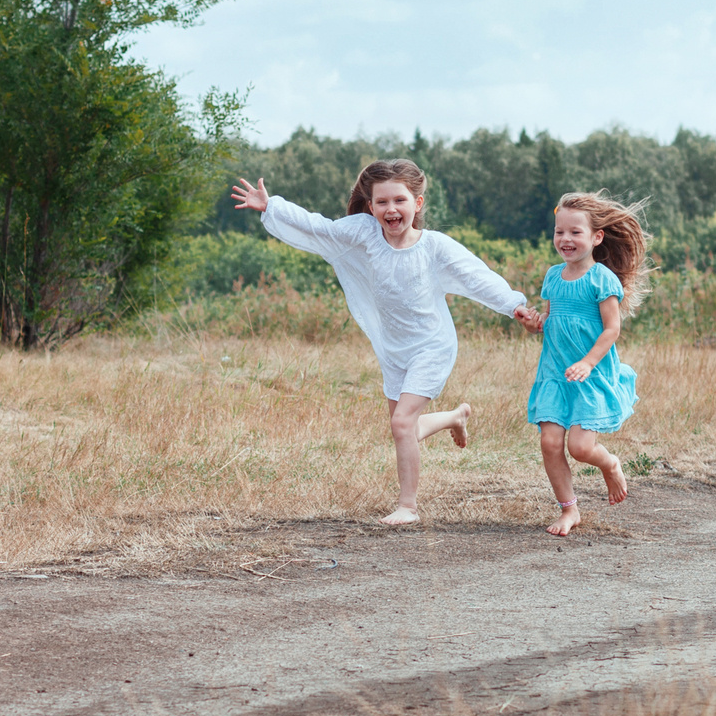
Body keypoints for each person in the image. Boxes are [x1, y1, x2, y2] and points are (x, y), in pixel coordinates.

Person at [231, 159, 541, 525]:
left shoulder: (434, 247)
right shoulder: (364, 233)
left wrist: (514, 305)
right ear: (371, 206)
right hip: (393, 350)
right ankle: (455, 417)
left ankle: (408, 506)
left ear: (418, 204)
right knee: (403, 426)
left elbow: (477, 277)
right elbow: (320, 227)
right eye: (381, 203)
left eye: (400, 201)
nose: (391, 209)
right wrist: (273, 206)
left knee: (401, 425)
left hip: (432, 347)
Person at [529, 191, 647, 537]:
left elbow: (613, 328)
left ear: (596, 238)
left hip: (589, 374)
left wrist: (588, 362)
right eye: (559, 232)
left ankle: (610, 463)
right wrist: (534, 322)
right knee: (550, 443)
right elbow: (549, 320)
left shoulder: (602, 279)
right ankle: (570, 510)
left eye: (575, 232)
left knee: (580, 448)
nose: (565, 239)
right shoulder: (552, 276)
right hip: (555, 373)